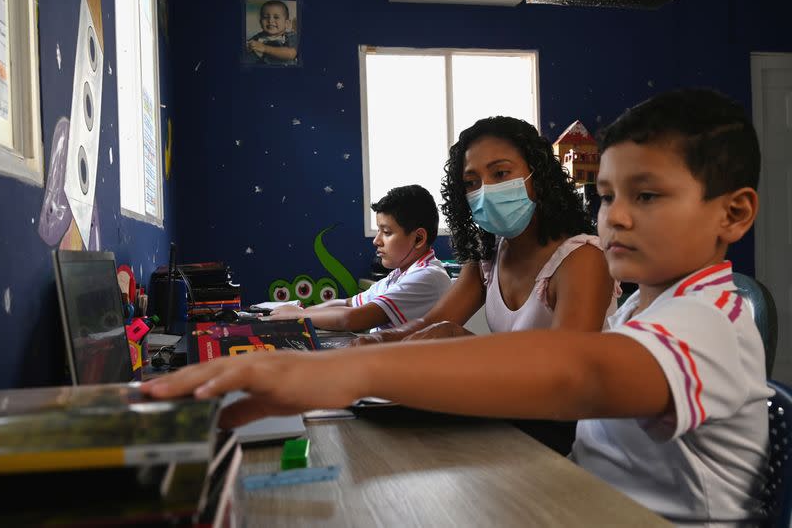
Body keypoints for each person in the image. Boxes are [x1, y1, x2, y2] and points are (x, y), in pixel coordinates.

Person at [143, 88, 770, 525]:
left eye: (649, 194)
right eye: (606, 196)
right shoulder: (644, 310)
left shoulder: (712, 319)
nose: (618, 216)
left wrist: (342, 372)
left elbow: (578, 372)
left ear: (733, 213)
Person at [353, 116, 617, 348]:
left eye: (500, 173)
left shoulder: (583, 258)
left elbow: (565, 368)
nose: (485, 191)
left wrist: (462, 340)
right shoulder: (489, 255)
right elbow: (432, 323)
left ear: (538, 178)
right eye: (471, 182)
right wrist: (380, 340)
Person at [270, 184, 451, 333]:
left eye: (386, 232)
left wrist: (298, 316)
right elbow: (348, 303)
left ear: (418, 238)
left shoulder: (428, 276)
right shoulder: (398, 275)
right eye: (378, 231)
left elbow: (352, 318)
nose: (376, 240)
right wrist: (303, 311)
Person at [246, 0, 298, 66]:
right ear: (260, 22)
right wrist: (249, 47)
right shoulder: (257, 38)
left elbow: (291, 54)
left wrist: (264, 48)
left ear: (286, 23)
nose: (270, 20)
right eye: (265, 17)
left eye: (276, 17)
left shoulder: (291, 36)